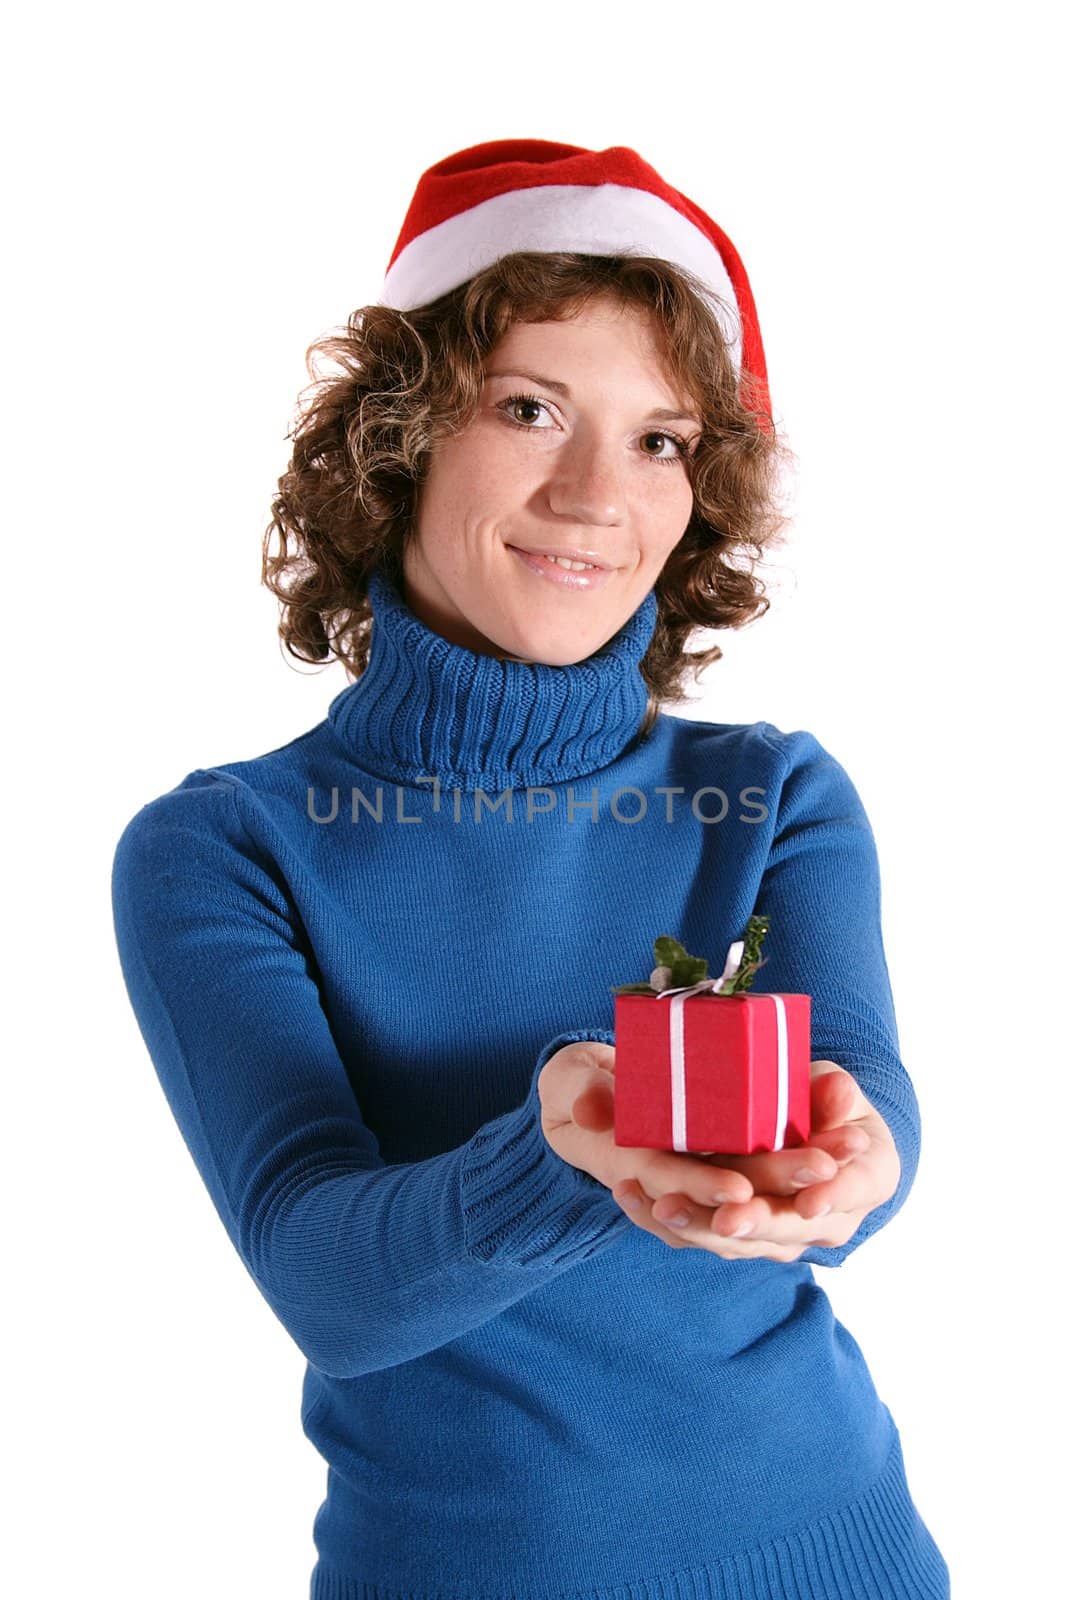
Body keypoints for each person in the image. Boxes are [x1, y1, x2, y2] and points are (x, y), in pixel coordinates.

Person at [111, 139, 951, 1599]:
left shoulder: (770, 796)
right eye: (528, 408)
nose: (592, 493)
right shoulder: (223, 849)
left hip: (843, 1554)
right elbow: (325, 1281)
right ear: (399, 435)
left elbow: (862, 1106)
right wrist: (566, 1142)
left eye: (660, 439)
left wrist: (855, 1164)